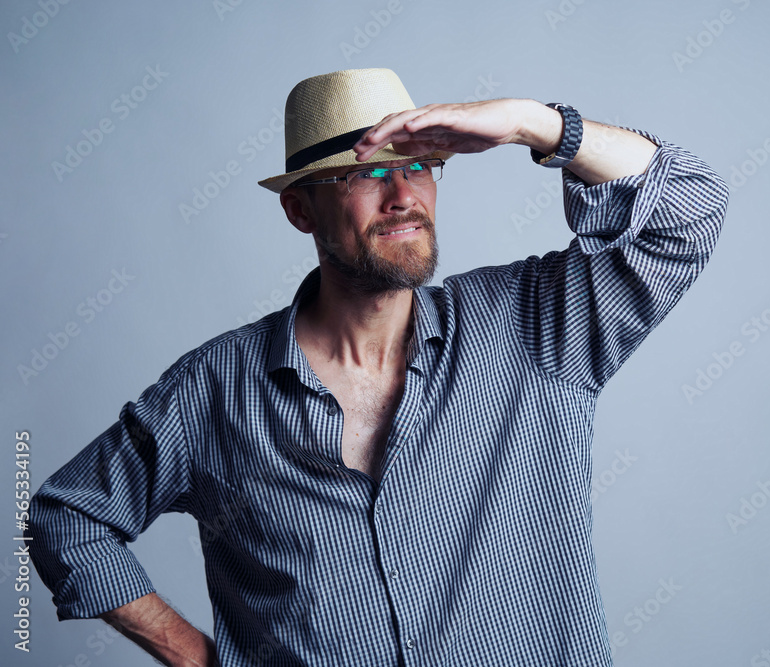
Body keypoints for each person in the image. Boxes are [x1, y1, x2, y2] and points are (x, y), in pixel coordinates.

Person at [29, 68, 728, 666]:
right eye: (365, 173)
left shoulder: (532, 327)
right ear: (300, 210)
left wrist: (532, 124)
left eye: (418, 164)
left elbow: (689, 210)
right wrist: (194, 655)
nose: (403, 197)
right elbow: (67, 519)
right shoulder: (214, 391)